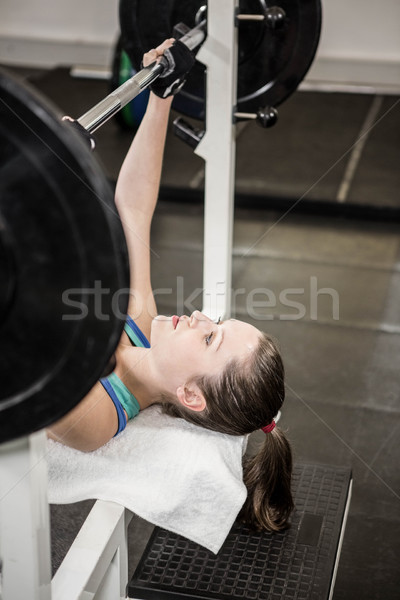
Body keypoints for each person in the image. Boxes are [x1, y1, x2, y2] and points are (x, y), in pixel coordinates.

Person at [47, 38, 294, 533]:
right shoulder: (138, 323)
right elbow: (135, 207)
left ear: (191, 396)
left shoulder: (98, 420)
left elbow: (27, 344)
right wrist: (163, 96)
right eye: (216, 322)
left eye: (209, 338)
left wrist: (55, 176)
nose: (201, 315)